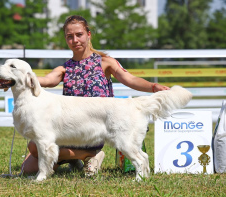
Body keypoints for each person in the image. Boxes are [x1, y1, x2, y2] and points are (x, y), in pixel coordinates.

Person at [21, 15, 170, 177]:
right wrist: (24, 78)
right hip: (70, 130)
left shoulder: (105, 62)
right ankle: (77, 159)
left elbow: (130, 79)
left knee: (37, 148)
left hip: (95, 128)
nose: (75, 40)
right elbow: (48, 80)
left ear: (89, 35)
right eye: (69, 37)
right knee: (29, 163)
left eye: (79, 35)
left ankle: (90, 154)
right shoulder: (64, 68)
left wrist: (153, 87)